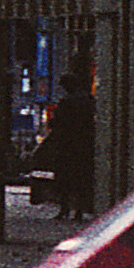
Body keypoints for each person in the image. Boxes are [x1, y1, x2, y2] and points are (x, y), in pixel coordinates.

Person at [34, 72, 97, 221]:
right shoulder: (88, 100)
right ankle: (79, 210)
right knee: (81, 177)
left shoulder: (66, 101)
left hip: (67, 144)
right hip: (84, 143)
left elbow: (56, 122)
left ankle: (65, 209)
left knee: (64, 178)